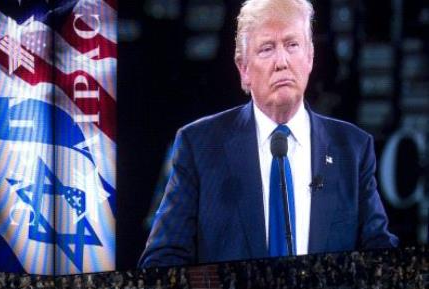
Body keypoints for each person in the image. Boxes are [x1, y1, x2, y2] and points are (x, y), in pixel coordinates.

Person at [139, 0, 397, 268]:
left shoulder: (353, 147)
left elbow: (380, 253)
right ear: (244, 69)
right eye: (267, 48)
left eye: (292, 45)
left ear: (310, 57)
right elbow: (162, 259)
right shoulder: (199, 145)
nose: (282, 62)